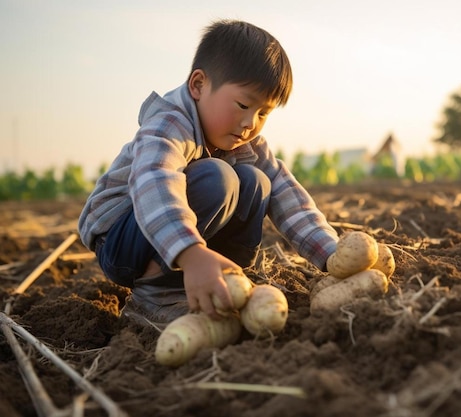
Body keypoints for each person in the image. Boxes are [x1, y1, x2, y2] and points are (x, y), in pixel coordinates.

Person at [78, 20, 339, 327]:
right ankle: (153, 297)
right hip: (123, 243)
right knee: (219, 178)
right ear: (198, 85)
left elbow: (286, 193)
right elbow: (155, 183)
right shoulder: (168, 126)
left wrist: (332, 254)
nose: (250, 123)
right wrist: (190, 254)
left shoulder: (246, 140)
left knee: (258, 181)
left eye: (263, 113)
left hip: (176, 242)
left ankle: (228, 281)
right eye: (243, 104)